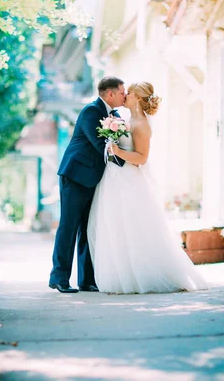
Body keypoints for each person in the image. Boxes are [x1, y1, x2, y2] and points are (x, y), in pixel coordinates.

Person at [87, 81, 209, 294]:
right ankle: (122, 276)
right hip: (114, 178)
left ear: (138, 98)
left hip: (129, 181)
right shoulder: (126, 119)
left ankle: (141, 276)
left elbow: (142, 158)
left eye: (129, 93)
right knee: (116, 227)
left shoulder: (141, 124)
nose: (124, 96)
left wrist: (117, 151)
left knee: (133, 227)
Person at [49, 76, 126, 293]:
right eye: (122, 92)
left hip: (93, 179)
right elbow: (101, 144)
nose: (125, 95)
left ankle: (87, 280)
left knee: (88, 228)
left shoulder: (116, 116)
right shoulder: (91, 111)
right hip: (74, 176)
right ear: (109, 94)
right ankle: (59, 277)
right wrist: (126, 160)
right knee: (69, 226)